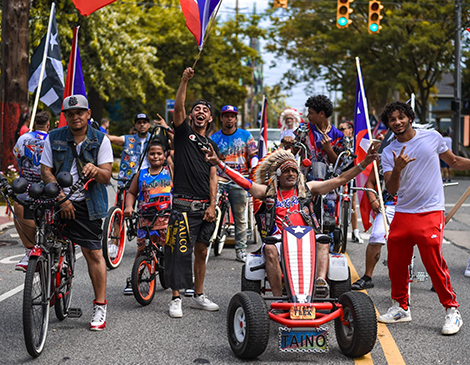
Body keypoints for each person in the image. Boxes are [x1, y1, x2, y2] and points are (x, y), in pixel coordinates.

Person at [203, 140, 379, 298]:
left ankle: (319, 283)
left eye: (294, 170)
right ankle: (279, 298)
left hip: (307, 238)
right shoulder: (268, 192)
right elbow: (244, 182)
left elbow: (340, 179)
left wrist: (364, 163)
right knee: (270, 249)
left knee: (324, 241)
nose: (291, 174)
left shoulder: (308, 188)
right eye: (286, 171)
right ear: (277, 174)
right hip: (278, 240)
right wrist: (219, 164)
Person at [378, 100, 470, 335]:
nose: (397, 122)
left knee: (431, 256)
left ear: (409, 117)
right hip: (404, 211)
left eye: (400, 117)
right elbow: (392, 189)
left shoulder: (432, 137)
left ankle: (452, 310)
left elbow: (454, 161)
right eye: (392, 119)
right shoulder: (388, 152)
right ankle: (400, 307)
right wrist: (397, 168)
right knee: (397, 258)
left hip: (431, 209)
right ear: (388, 124)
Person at [41, 94, 113, 331]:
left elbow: (106, 176)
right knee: (44, 245)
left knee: (93, 253)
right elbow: (46, 171)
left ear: (88, 114)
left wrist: (95, 169)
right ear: (65, 117)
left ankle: (100, 305)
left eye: (79, 112)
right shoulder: (53, 137)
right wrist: (61, 197)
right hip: (60, 200)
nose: (75, 117)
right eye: (70, 114)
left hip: (88, 203)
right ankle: (46, 283)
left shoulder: (100, 140)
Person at [165, 67, 220, 318]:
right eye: (196, 109)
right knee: (179, 251)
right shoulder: (184, 135)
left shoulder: (211, 145)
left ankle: (198, 295)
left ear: (209, 119)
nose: (200, 112)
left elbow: (213, 176)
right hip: (183, 205)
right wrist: (183, 81)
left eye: (205, 111)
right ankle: (176, 297)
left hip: (204, 208)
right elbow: (178, 109)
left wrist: (212, 205)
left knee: (201, 251)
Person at [123, 140, 173, 293]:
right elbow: (131, 192)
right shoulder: (141, 174)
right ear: (147, 156)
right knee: (142, 248)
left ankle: (179, 276)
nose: (155, 156)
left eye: (159, 153)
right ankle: (135, 278)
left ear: (164, 156)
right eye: (152, 153)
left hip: (165, 219)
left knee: (170, 248)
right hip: (144, 219)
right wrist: (129, 206)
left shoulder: (169, 171)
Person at [210, 105, 258, 262]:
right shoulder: (214, 138)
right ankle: (208, 239)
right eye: (226, 115)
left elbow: (253, 155)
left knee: (240, 216)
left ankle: (241, 249)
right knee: (210, 208)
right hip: (219, 179)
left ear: (236, 118)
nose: (229, 118)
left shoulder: (246, 136)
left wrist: (255, 168)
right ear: (222, 118)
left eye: (232, 116)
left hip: (239, 178)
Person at [351, 148, 396, 290]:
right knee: (376, 236)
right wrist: (373, 200)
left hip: (413, 206)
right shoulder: (384, 157)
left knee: (429, 240)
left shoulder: (421, 156)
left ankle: (437, 279)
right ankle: (367, 276)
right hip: (388, 205)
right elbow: (370, 182)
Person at [12, 111, 50, 271]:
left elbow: (17, 156)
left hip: (26, 185)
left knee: (19, 204)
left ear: (35, 124)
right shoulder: (51, 139)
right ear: (48, 125)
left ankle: (28, 250)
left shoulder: (23, 138)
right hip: (48, 186)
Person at [294, 95, 344, 166]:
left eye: (310, 113)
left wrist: (328, 149)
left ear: (321, 114)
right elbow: (292, 152)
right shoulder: (303, 129)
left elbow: (338, 164)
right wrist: (288, 143)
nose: (308, 116)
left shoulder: (337, 135)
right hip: (305, 176)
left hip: (330, 177)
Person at [338, 119, 364, 244]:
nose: (340, 131)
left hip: (351, 174)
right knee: (337, 201)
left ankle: (355, 231)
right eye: (339, 129)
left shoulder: (355, 143)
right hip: (339, 174)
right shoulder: (338, 141)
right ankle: (338, 228)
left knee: (353, 204)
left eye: (343, 129)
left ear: (350, 130)